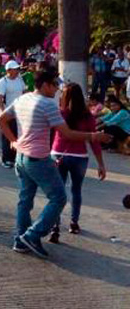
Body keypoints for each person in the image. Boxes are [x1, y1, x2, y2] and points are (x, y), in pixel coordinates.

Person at [0, 68, 111, 259]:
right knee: (58, 198)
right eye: (55, 85)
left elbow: (1, 120)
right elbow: (67, 133)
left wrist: (14, 141)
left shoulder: (23, 99)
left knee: (25, 200)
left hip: (22, 158)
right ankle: (32, 236)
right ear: (45, 85)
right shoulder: (47, 104)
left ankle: (21, 240)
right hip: (38, 159)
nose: (57, 89)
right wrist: (93, 136)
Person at [48, 83, 106, 244]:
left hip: (58, 154)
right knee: (76, 190)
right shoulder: (88, 116)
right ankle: (74, 223)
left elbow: (49, 135)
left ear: (64, 97)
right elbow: (94, 141)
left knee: (57, 193)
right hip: (79, 157)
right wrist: (101, 164)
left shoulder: (59, 114)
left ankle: (55, 227)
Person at [0, 60, 26, 168]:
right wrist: (3, 113)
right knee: (7, 137)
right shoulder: (2, 82)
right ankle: (6, 159)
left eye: (17, 69)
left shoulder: (20, 80)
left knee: (18, 136)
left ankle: (15, 158)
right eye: (15, 69)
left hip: (20, 113)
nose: (17, 71)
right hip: (8, 113)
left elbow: (24, 93)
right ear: (8, 70)